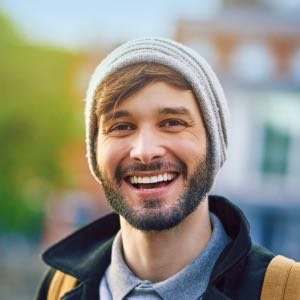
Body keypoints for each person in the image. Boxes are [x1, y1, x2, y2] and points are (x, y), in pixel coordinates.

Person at [36, 38, 275, 300]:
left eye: (172, 122)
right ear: (94, 151)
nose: (144, 151)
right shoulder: (59, 288)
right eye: (121, 127)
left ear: (214, 142)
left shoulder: (285, 290)